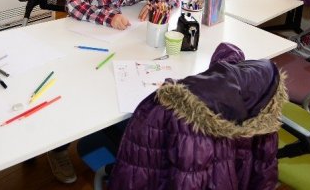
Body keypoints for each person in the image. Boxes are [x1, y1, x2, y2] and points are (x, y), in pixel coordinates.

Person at [46, 0, 179, 184]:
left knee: (117, 92)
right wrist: (108, 17)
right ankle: (57, 148)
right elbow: (73, 3)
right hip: (83, 43)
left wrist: (159, 1)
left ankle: (108, 133)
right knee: (77, 92)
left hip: (118, 46)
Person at [108, 43, 285, 189]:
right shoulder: (265, 94)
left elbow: (188, 178)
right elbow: (264, 171)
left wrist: (173, 87)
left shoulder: (186, 120)